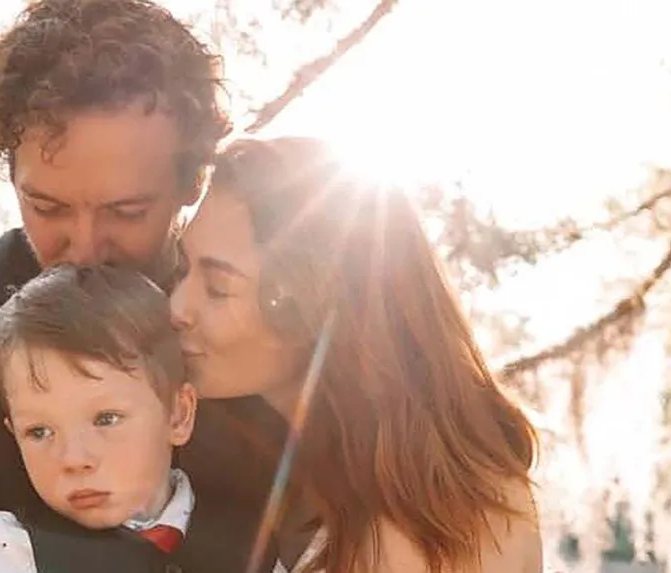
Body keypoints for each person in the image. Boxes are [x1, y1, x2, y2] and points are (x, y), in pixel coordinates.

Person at [0, 2, 282, 572]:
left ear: (193, 180)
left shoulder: (249, 318)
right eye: (48, 207)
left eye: (127, 210)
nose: (85, 249)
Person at [171, 137, 544, 573]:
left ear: (313, 304)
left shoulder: (420, 525)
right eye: (182, 269)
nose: (177, 308)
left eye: (218, 288)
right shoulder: (329, 468)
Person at [0, 265, 199, 572]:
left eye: (106, 419)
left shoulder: (255, 538)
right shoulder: (6, 555)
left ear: (178, 415)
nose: (73, 459)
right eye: (39, 432)